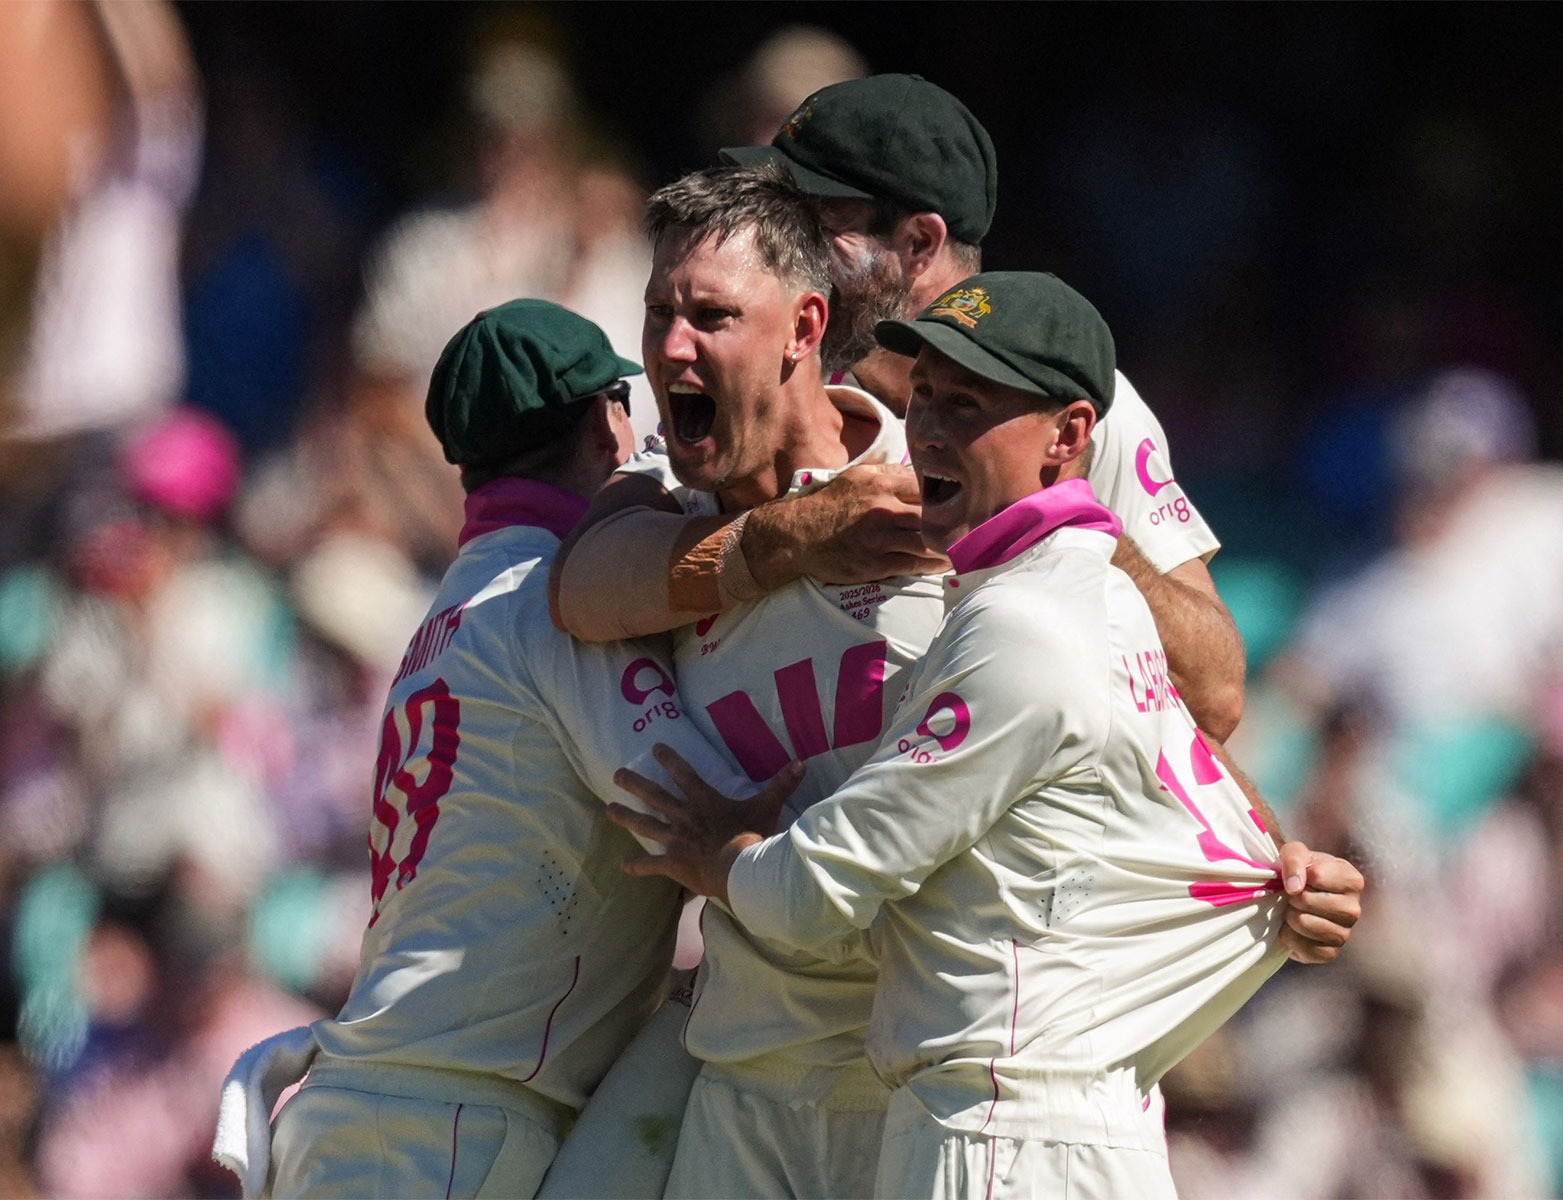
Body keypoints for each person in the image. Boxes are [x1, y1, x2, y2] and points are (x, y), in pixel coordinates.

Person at [542, 166, 1358, 1199]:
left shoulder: (950, 524)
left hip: (938, 1096)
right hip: (756, 1076)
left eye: (709, 314)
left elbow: (1180, 701)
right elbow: (577, 592)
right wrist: (780, 543)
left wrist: (1271, 854)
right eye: (658, 312)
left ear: (805, 323)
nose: (668, 346)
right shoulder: (670, 503)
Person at [215, 300, 777, 1199]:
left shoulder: (443, 616)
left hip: (375, 1115)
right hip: (443, 1129)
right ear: (606, 424)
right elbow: (714, 810)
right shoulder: (554, 609)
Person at [553, 73, 1245, 743]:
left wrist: (1061, 522)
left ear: (919, 244)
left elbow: (1215, 696)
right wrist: (791, 535)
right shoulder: (784, 369)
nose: (781, 244)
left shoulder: (1071, 400)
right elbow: (581, 581)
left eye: (816, 222)